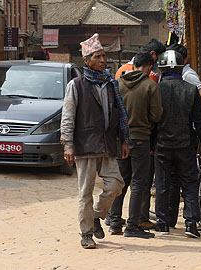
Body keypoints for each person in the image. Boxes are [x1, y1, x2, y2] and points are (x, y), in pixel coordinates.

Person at [60, 33, 130, 249]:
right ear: (87, 61)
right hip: (86, 145)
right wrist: (68, 144)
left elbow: (119, 114)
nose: (103, 60)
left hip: (108, 144)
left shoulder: (110, 84)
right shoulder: (76, 85)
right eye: (97, 57)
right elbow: (68, 116)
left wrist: (124, 140)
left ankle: (97, 215)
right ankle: (86, 233)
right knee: (85, 193)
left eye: (103, 56)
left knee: (116, 184)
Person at [154, 50, 201, 238]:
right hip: (185, 145)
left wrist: (151, 144)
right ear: (181, 68)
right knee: (189, 183)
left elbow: (152, 120)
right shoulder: (190, 89)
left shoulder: (156, 90)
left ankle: (162, 225)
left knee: (162, 183)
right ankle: (191, 225)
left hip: (162, 145)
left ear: (161, 69)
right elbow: (199, 121)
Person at [107, 52, 162, 238]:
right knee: (139, 181)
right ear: (148, 66)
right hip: (141, 139)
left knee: (121, 180)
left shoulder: (119, 84)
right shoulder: (150, 86)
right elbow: (156, 116)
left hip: (120, 140)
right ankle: (132, 225)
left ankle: (114, 222)